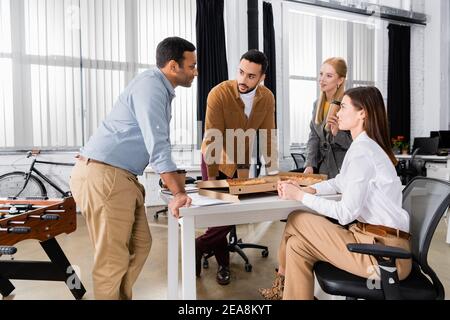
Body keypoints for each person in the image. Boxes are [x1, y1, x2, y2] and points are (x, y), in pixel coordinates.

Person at [69, 37, 197, 299]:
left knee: (140, 244)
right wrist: (178, 194)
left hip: (117, 176)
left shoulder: (155, 86)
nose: (196, 71)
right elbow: (157, 144)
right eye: (192, 65)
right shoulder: (151, 87)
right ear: (174, 66)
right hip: (107, 176)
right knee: (111, 261)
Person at [259, 86, 412, 300]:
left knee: (296, 217)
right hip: (369, 241)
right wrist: (308, 188)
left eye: (344, 107)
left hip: (383, 256)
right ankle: (286, 290)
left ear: (362, 113)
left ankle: (281, 282)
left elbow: (346, 213)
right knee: (297, 245)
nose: (337, 113)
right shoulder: (364, 146)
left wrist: (299, 196)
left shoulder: (363, 151)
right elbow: (341, 182)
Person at [198, 49, 277, 285]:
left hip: (242, 160)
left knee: (230, 211)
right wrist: (232, 179)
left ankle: (199, 246)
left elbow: (268, 135)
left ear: (262, 77)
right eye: (241, 72)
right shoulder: (218, 93)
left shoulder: (267, 97)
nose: (243, 79)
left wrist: (273, 173)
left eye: (251, 76)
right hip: (213, 156)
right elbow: (213, 138)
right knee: (221, 213)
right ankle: (222, 265)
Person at [304, 57, 352, 179]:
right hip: (323, 169)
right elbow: (314, 137)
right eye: (321, 74)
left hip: (344, 168)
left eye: (329, 76)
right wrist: (309, 164)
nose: (322, 79)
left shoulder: (349, 104)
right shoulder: (317, 104)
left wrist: (337, 133)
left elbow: (356, 143)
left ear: (340, 80)